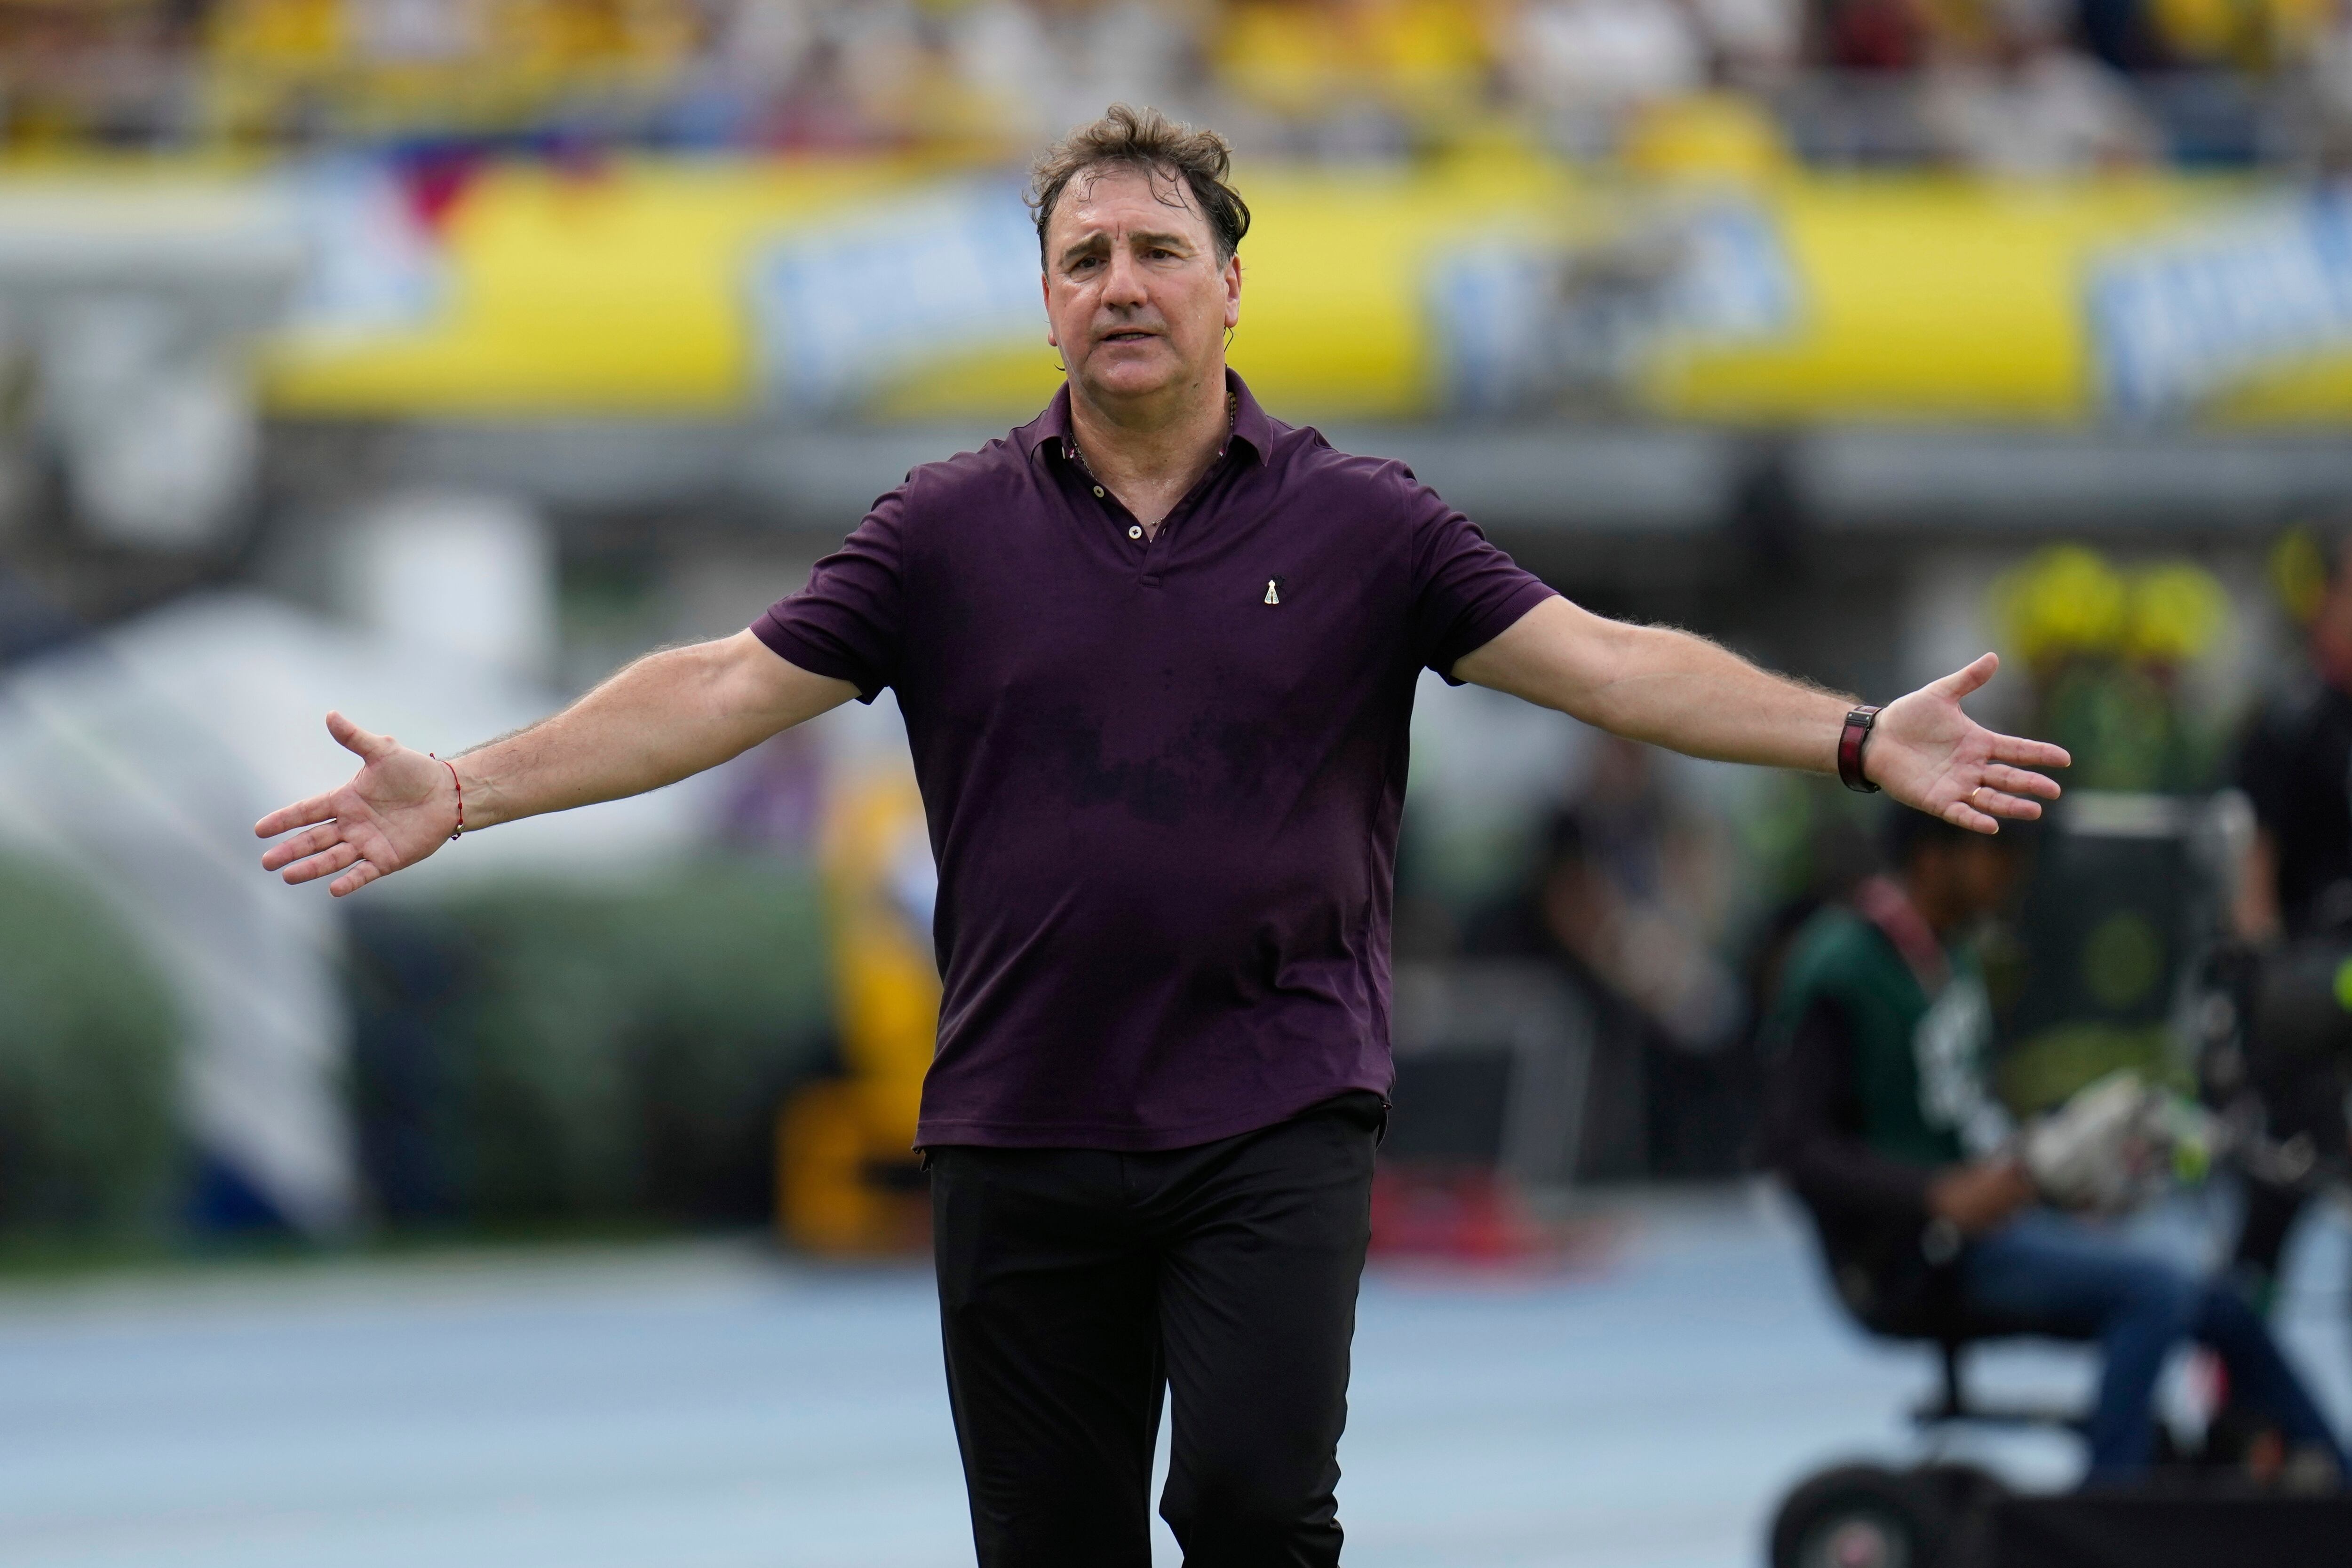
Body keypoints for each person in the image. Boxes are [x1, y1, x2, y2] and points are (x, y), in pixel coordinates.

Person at [259, 105, 2069, 1567]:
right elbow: (722, 686)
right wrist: (472, 784)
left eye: (1157, 254)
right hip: (1018, 1116)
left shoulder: (1368, 522)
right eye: (1085, 258)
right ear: (1048, 303)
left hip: (1272, 1106)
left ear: (1226, 293)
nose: (1122, 285)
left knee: (1253, 1509)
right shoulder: (946, 529)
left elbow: (1607, 667)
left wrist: (1852, 733)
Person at [1762, 808, 2346, 1485]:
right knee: (2154, 1291)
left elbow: (1961, 1121)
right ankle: (2112, 1508)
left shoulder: (1949, 953)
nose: (2013, 874)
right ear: (1931, 858)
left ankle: (2331, 1490)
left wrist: (2060, 1184)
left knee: (2224, 1302)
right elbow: (1792, 1148)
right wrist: (1935, 1194)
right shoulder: (1843, 963)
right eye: (1994, 854)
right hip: (1910, 1252)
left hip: (1986, 1228)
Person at [2229, 526, 2352, 1307]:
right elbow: (2254, 865)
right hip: (2311, 992)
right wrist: (2265, 982)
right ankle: (2238, 1398)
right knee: (2276, 1195)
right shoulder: (2286, 721)